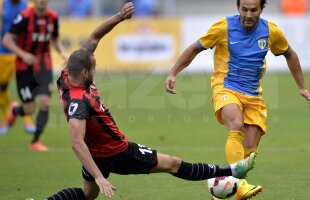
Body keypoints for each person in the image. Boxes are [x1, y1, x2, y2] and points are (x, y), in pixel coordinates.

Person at [45, 2, 256, 199]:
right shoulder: (77, 102)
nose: (96, 69)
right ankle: (232, 171)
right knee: (172, 164)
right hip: (116, 151)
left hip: (98, 150)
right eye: (93, 68)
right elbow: (75, 141)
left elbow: (94, 36)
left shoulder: (68, 74)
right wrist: (99, 176)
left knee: (87, 194)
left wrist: (119, 17)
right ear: (83, 72)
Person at [165, 0, 310, 199]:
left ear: (261, 9)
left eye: (253, 10)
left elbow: (290, 54)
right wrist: (173, 73)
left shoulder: (270, 31)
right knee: (236, 124)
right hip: (225, 87)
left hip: (253, 96)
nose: (248, 15)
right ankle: (240, 184)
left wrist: (301, 87)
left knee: (249, 155)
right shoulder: (223, 27)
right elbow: (194, 48)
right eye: (244, 9)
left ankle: (225, 189)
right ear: (238, 8)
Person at [2, 0, 67, 151]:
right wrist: (23, 54)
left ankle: (35, 141)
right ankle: (15, 111)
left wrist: (62, 52)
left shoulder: (53, 17)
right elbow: (6, 40)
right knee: (30, 108)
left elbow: (55, 38)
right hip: (24, 68)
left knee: (45, 102)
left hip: (44, 67)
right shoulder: (24, 17)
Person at [0, 0, 36, 135]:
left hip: (22, 54)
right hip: (3, 53)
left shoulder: (28, 6)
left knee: (26, 87)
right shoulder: (1, 5)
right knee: (2, 87)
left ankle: (28, 120)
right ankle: (5, 118)